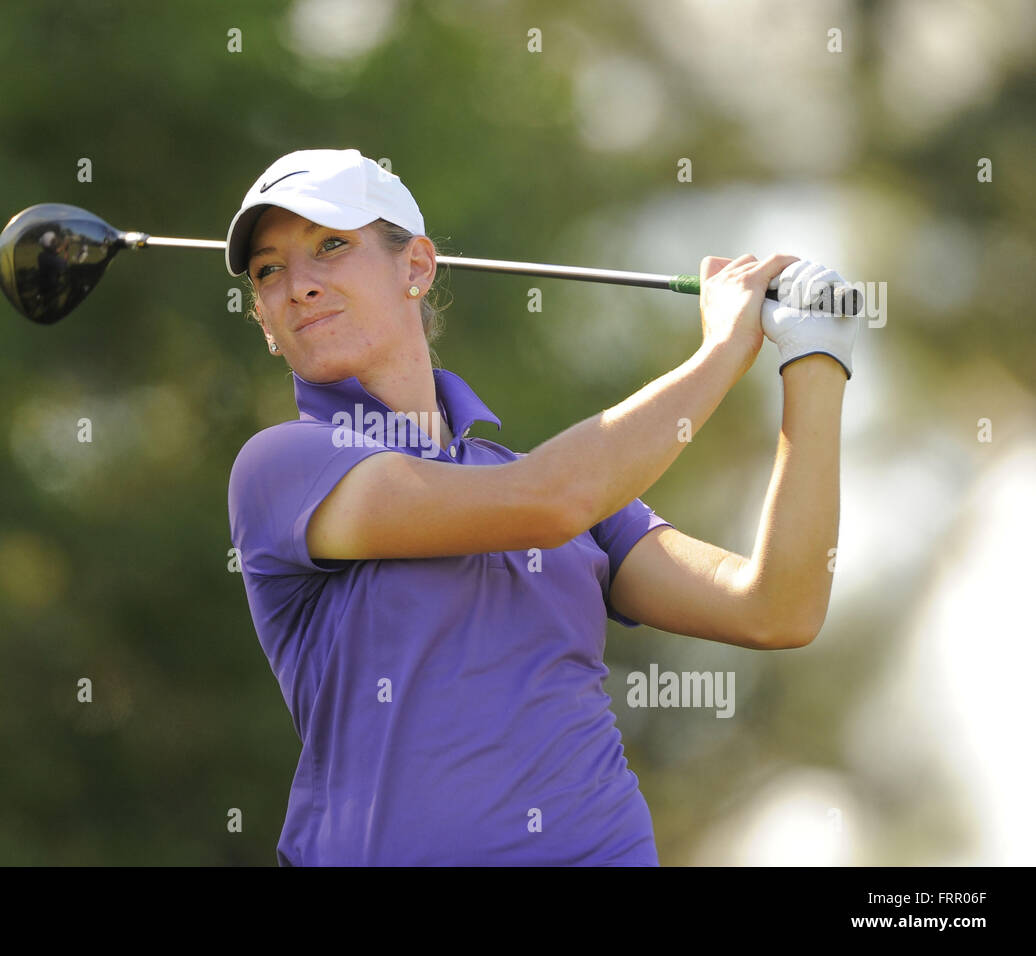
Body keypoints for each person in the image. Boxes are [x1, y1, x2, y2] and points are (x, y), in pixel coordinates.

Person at [224, 147, 857, 866]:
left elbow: (775, 608)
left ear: (417, 267)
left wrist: (815, 357)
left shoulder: (557, 495)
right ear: (265, 319)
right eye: (268, 270)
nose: (298, 284)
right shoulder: (281, 469)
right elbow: (549, 502)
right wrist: (722, 349)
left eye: (331, 246)